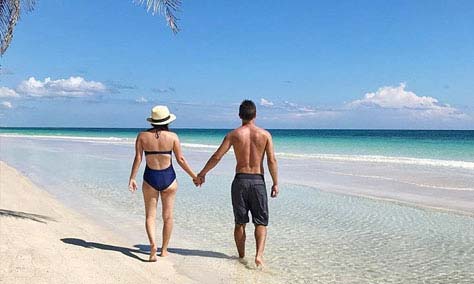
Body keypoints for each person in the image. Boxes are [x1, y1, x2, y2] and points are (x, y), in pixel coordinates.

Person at [195, 99, 279, 267]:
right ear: (255, 114)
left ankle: (241, 257)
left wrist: (202, 174)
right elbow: (271, 160)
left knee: (240, 222)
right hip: (257, 181)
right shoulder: (265, 135)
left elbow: (217, 156)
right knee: (261, 221)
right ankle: (259, 256)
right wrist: (275, 183)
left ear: (240, 115)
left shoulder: (233, 135)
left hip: (240, 181)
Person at [129, 105, 198, 262]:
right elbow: (180, 159)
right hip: (169, 178)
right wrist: (194, 176)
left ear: (153, 121)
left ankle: (153, 245)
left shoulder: (142, 136)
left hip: (150, 178)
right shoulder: (173, 137)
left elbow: (138, 158)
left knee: (150, 216)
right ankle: (164, 250)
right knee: (168, 217)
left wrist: (132, 177)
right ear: (167, 120)